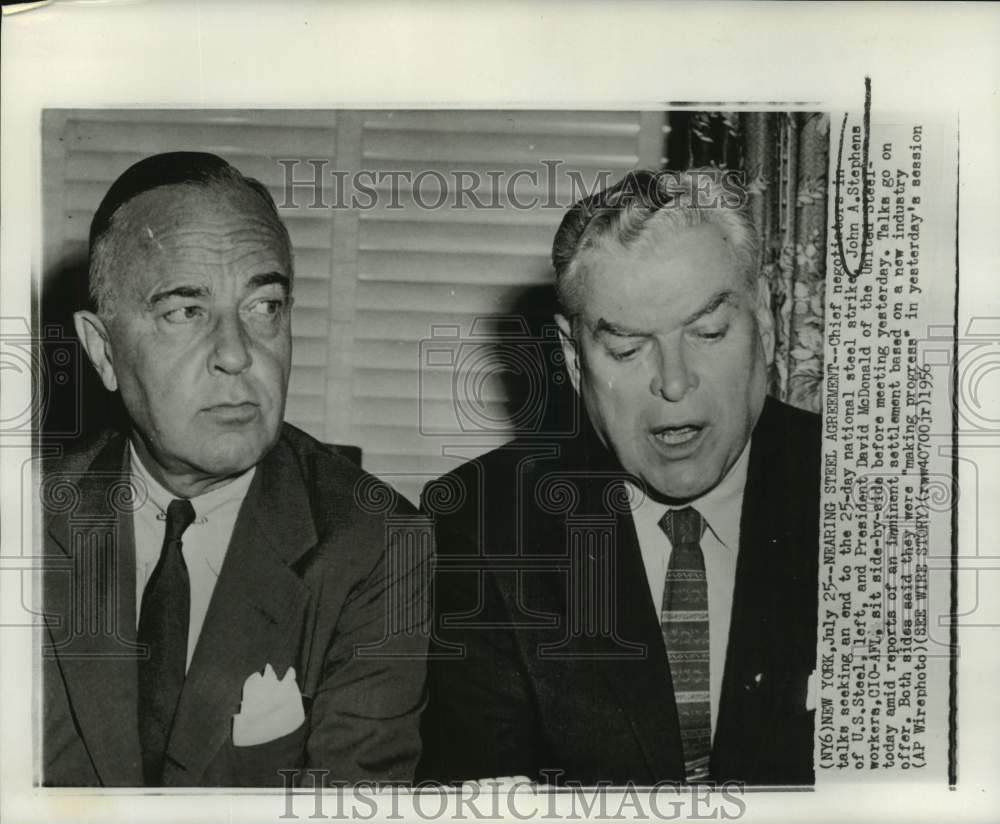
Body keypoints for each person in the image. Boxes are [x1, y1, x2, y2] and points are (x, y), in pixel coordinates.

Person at [417, 170, 821, 786]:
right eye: (628, 349)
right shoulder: (482, 523)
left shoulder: (871, 489)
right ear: (572, 355)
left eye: (708, 332)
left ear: (762, 316)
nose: (676, 381)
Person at [41, 152, 430, 787]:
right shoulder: (25, 523)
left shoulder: (377, 545)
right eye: (185, 312)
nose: (235, 354)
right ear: (102, 351)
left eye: (264, 307)